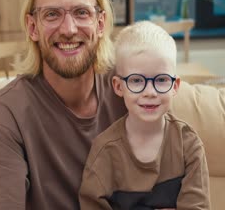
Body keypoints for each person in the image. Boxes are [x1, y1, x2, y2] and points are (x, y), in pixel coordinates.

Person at [0, 0, 127, 210]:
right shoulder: (5, 116)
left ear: (100, 24)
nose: (68, 29)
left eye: (81, 12)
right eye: (52, 14)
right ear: (32, 27)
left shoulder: (129, 91)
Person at [78, 21, 211, 209]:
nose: (150, 92)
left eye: (162, 80)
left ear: (175, 86)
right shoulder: (104, 151)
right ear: (118, 86)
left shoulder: (188, 144)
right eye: (137, 80)